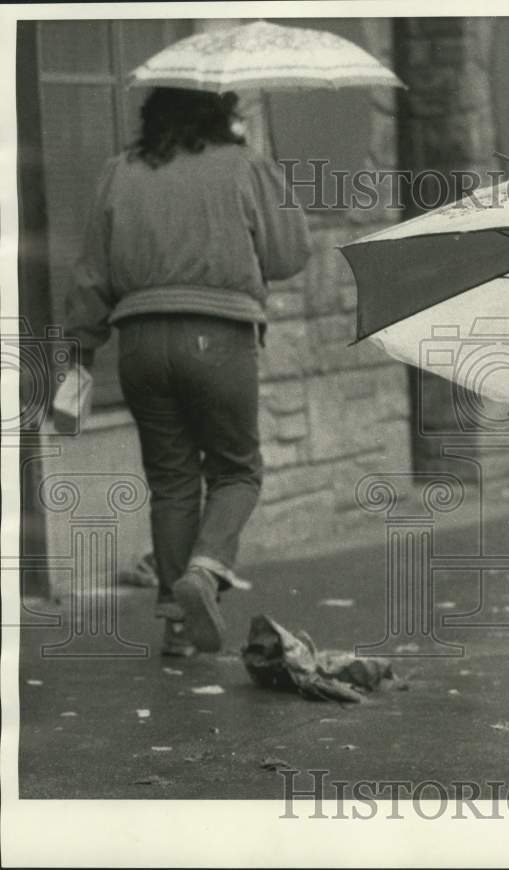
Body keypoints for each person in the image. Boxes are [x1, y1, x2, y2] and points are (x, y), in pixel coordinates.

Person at [64, 87, 311, 656]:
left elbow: (91, 277)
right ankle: (206, 568)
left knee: (172, 481)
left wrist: (80, 350)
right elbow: (288, 256)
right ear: (219, 114)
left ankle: (177, 624)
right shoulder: (244, 165)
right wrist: (264, 164)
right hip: (219, 338)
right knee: (236, 472)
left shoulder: (118, 171)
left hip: (140, 345)